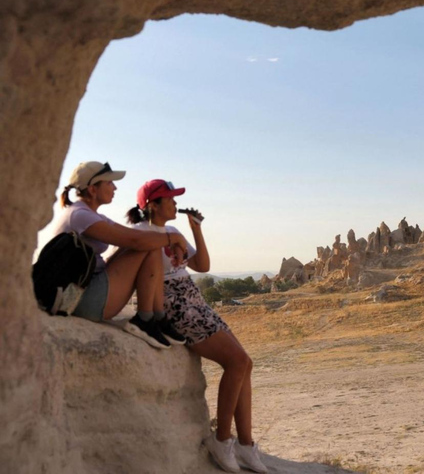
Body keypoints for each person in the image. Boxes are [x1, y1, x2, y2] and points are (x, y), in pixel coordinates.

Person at [126, 179, 267, 474]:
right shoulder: (139, 234)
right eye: (170, 199)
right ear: (152, 205)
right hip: (174, 303)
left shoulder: (173, 231)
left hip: (194, 298)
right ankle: (222, 439)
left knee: (246, 364)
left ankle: (245, 445)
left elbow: (201, 266)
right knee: (237, 361)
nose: (175, 204)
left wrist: (195, 229)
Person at [51, 161, 188, 349]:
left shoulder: (87, 213)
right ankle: (146, 318)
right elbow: (136, 241)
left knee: (150, 241)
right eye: (109, 183)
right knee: (149, 244)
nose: (115, 187)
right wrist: (176, 238)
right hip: (83, 300)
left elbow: (135, 237)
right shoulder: (80, 215)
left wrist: (175, 240)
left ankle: (157, 316)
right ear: (92, 189)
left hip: (85, 293)